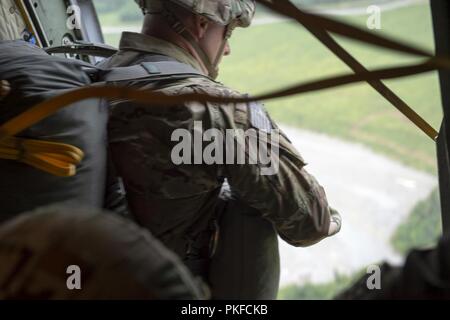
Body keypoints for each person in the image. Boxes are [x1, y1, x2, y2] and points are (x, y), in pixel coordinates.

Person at [100, 0, 342, 298]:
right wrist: (334, 221)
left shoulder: (87, 78)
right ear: (202, 24)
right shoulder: (220, 110)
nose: (226, 49)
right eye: (227, 33)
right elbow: (310, 221)